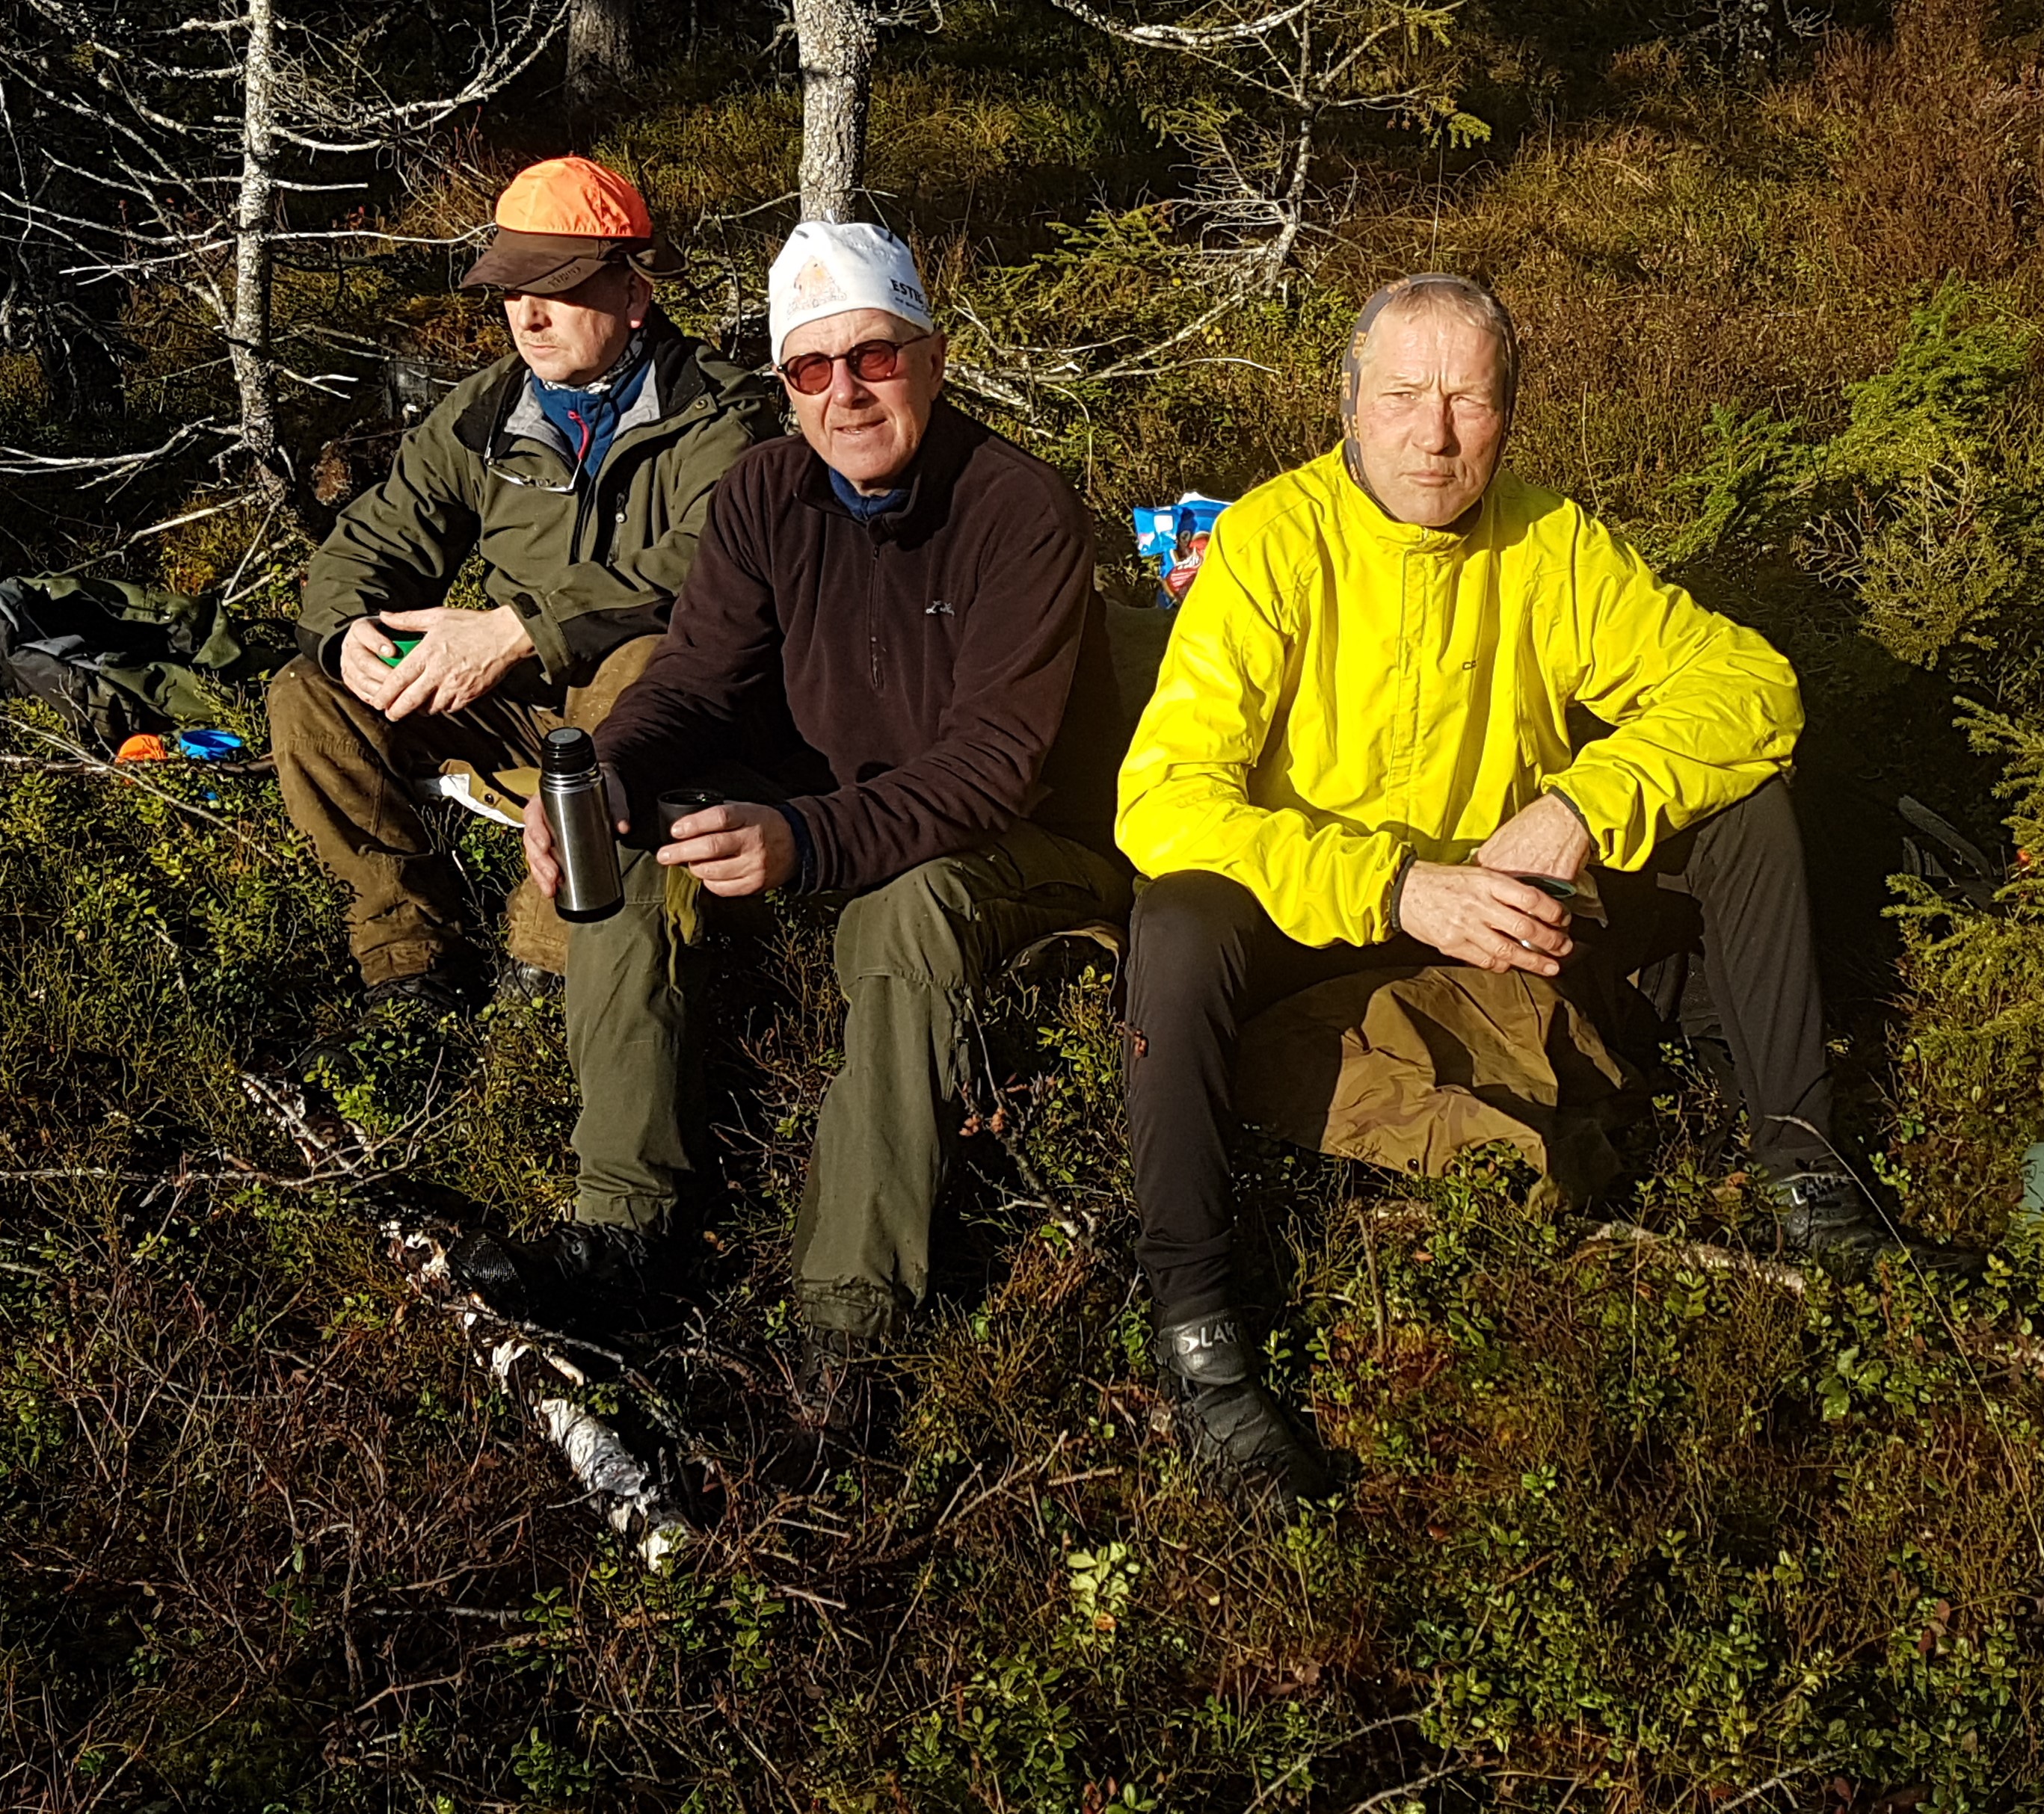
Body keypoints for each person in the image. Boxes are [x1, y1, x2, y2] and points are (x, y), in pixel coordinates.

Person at [1116, 274, 1911, 1502]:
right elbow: (1162, 800)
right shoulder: (1274, 541)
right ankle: (1200, 1330)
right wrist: (1390, 886)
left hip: (1504, 901)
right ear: (1350, 403)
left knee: (1744, 805)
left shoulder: (1551, 539)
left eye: (1467, 401)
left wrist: (1587, 804)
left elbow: (1749, 688)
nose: (1433, 434)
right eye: (1403, 396)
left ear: (1509, 415)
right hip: (1324, 913)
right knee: (1175, 917)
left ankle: (1806, 1172)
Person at [470, 222, 1129, 1415]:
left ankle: (848, 1318)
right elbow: (698, 677)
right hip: (833, 814)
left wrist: (808, 839)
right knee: (632, 841)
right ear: (783, 386)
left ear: (930, 355)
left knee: (908, 908)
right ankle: (626, 1228)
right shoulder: (767, 490)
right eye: (810, 369)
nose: (846, 393)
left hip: (1028, 845)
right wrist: (612, 774)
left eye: (872, 357)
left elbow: (992, 766)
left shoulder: (1019, 509)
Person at [269, 157, 776, 1014]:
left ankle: (545, 978)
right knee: (308, 693)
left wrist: (514, 630)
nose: (527, 317)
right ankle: (409, 963)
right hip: (511, 702)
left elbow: (710, 564)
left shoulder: (720, 416)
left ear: (633, 294)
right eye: (510, 291)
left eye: (557, 289)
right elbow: (376, 536)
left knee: (640, 665)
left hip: (651, 714)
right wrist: (346, 629)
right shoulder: (486, 410)